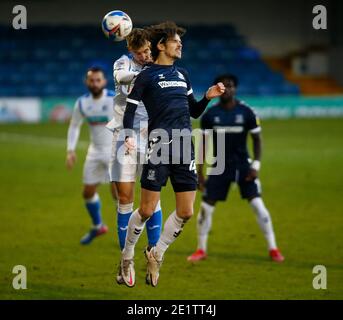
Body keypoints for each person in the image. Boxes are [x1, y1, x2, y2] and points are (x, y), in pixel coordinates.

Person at [120, 21, 225, 287]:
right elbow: (130, 110)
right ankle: (127, 256)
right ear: (161, 46)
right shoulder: (146, 75)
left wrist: (208, 96)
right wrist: (129, 136)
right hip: (160, 144)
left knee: (186, 211)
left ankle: (156, 253)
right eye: (176, 41)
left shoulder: (183, 74)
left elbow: (194, 111)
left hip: (183, 145)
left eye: (180, 41)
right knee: (145, 209)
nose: (180, 44)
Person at [187, 74, 284, 263]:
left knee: (258, 206)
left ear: (235, 89)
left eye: (230, 86)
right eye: (223, 86)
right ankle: (201, 249)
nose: (227, 89)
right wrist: (199, 173)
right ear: (218, 89)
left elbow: (257, 139)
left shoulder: (247, 112)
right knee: (206, 208)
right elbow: (203, 145)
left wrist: (256, 165)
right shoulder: (210, 115)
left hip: (243, 166)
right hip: (219, 166)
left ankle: (273, 248)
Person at [106, 28, 163, 284]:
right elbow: (121, 77)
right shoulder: (123, 63)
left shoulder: (155, 64)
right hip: (123, 137)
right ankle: (125, 260)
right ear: (131, 51)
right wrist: (145, 71)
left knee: (153, 198)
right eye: (140, 53)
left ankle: (153, 254)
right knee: (125, 198)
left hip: (151, 137)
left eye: (147, 51)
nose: (144, 56)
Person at [66, 67, 117, 244]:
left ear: (104, 81)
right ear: (86, 82)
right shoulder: (82, 103)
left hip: (115, 151)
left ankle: (125, 236)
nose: (95, 83)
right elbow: (74, 126)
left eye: (98, 80)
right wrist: (70, 150)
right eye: (91, 80)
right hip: (94, 152)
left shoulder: (114, 99)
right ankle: (98, 226)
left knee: (118, 195)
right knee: (87, 193)